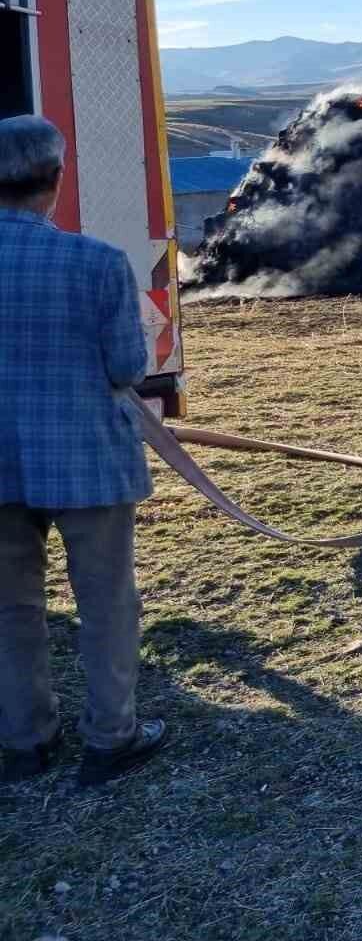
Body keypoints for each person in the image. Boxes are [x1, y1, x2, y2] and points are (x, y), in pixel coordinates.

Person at [0, 115, 168, 786]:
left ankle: (25, 741)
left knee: (10, 606)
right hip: (86, 460)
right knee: (105, 604)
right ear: (56, 181)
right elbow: (127, 366)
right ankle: (111, 739)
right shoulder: (97, 263)